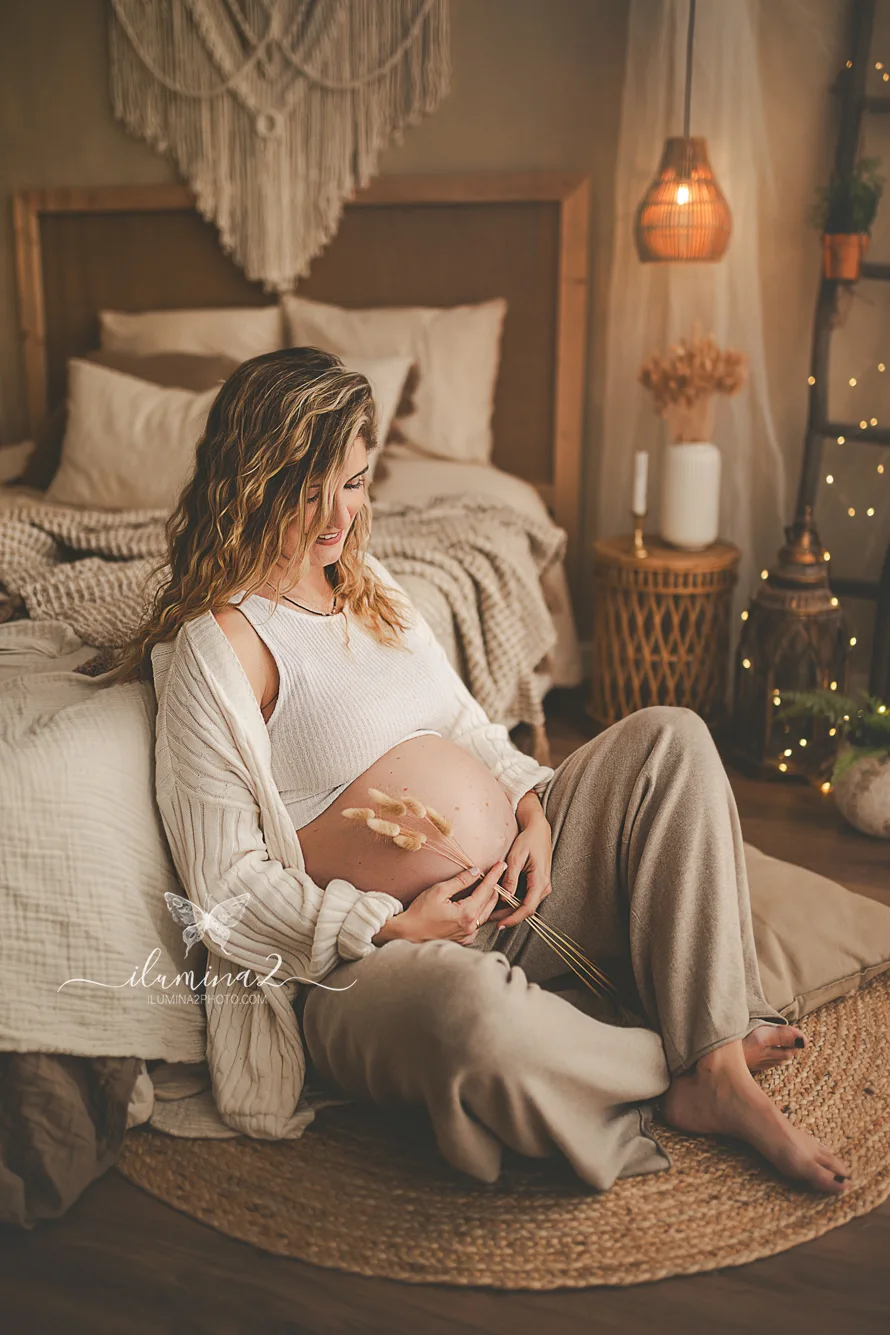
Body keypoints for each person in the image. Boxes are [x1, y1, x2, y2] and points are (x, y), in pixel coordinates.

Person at [113, 347, 851, 1195]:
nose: (335, 517)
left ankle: (713, 1070)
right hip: (369, 967)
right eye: (307, 488)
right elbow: (225, 887)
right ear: (250, 479)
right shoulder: (219, 646)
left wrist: (534, 807)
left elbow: (468, 724)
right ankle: (685, 1050)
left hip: (520, 895)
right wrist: (389, 927)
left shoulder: (368, 582)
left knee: (671, 738)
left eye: (353, 483)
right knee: (475, 1024)